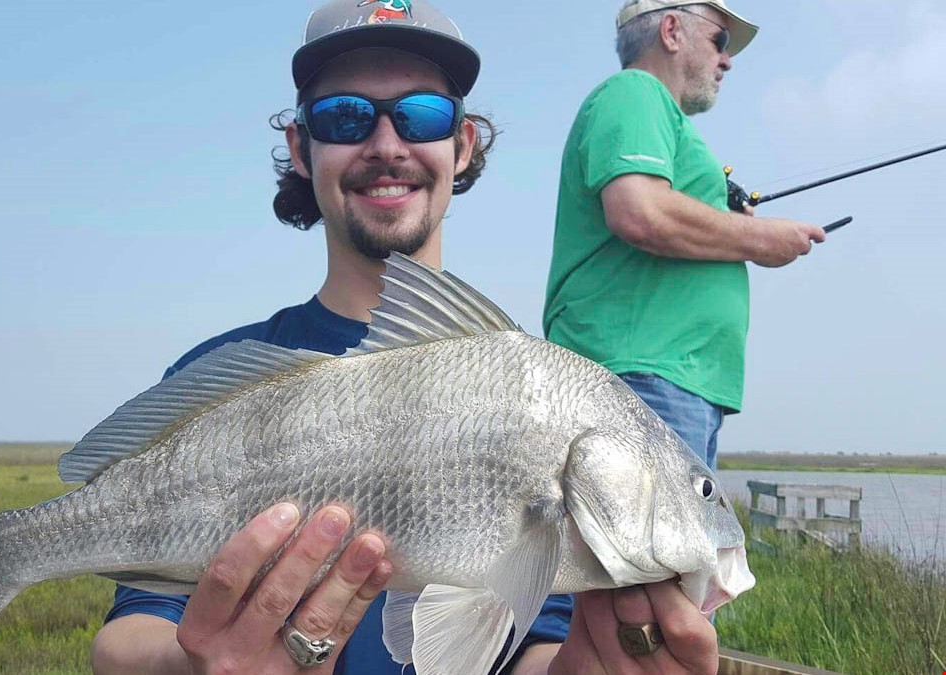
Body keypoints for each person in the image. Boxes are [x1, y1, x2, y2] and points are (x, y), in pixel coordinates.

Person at [91, 1, 719, 673]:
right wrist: (195, 666)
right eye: (344, 117)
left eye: (422, 114)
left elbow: (535, 647)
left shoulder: (544, 391)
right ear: (303, 149)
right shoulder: (216, 373)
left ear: (463, 143)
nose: (386, 145)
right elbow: (125, 640)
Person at [542, 0, 827, 472]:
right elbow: (640, 210)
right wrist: (762, 240)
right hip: (642, 379)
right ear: (671, 31)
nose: (728, 59)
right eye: (720, 40)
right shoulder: (635, 91)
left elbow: (657, 206)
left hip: (671, 384)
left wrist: (730, 217)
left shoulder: (657, 115)